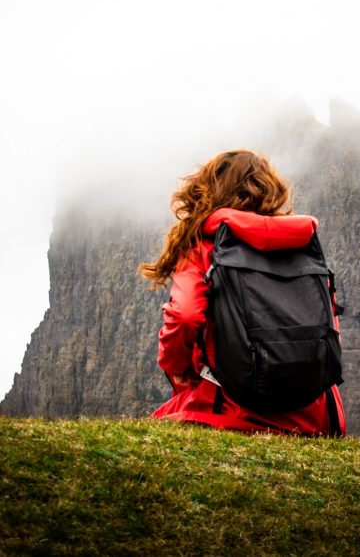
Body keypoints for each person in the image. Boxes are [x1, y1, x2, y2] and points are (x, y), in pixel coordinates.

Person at [139, 149, 346, 436]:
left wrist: (177, 369)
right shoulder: (302, 244)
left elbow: (184, 316)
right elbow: (328, 324)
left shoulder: (206, 246)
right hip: (313, 415)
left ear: (210, 192)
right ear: (271, 189)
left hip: (232, 409)